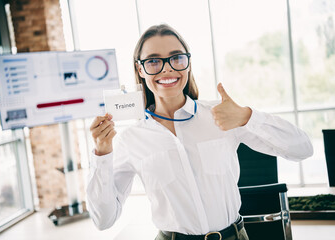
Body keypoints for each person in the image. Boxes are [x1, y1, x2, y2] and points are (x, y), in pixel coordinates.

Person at [87, 24, 313, 240]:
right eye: (153, 61)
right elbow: (103, 220)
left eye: (176, 58)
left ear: (188, 63)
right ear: (140, 68)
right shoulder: (131, 139)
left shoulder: (221, 115)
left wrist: (247, 116)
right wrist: (102, 154)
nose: (167, 68)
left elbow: (302, 149)